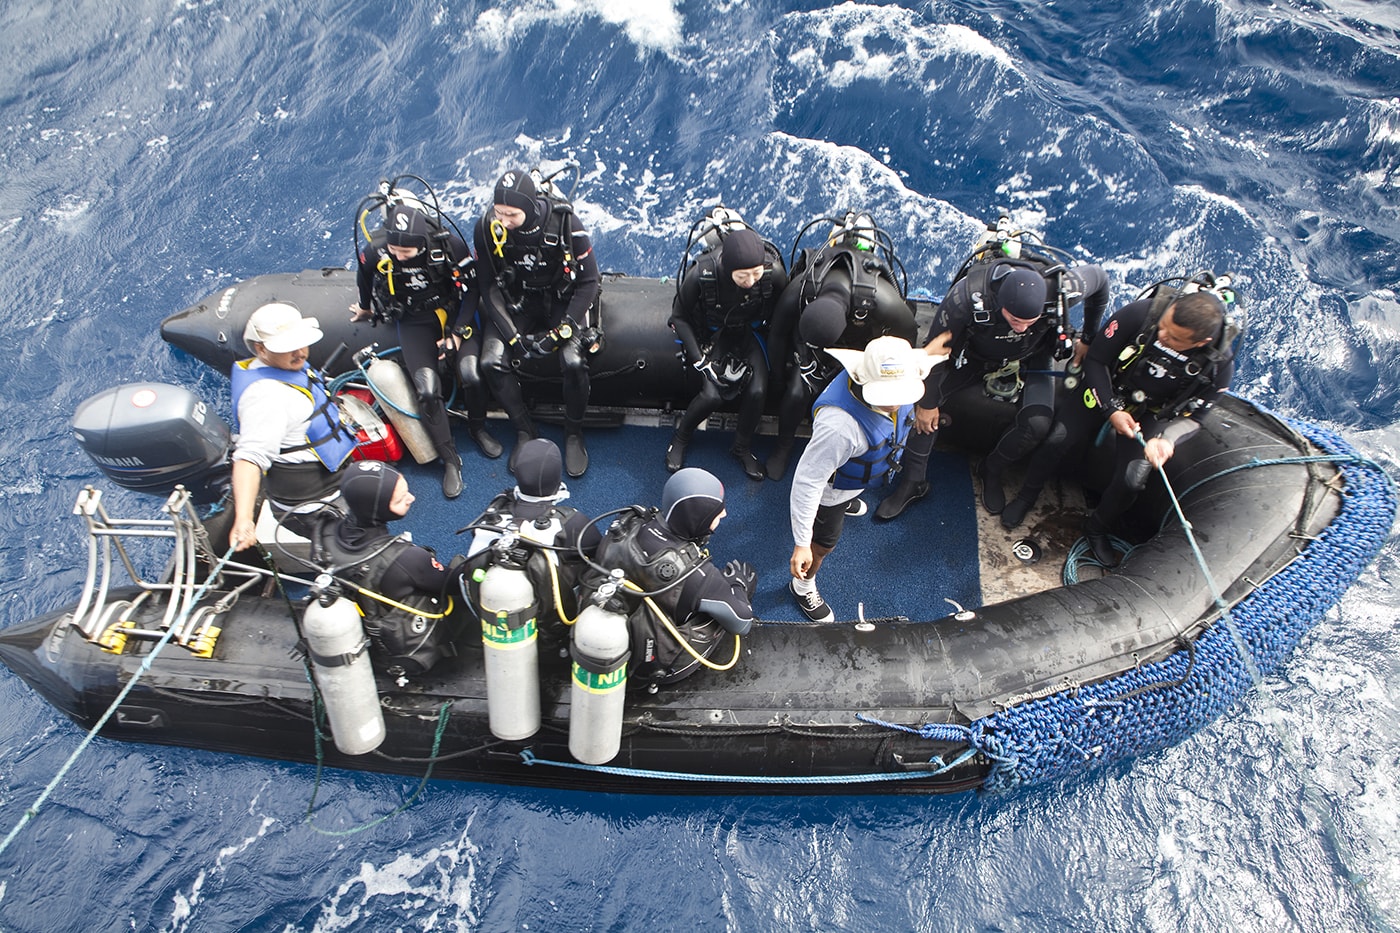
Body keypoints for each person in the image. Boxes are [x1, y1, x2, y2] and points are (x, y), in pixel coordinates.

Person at [1001, 289, 1236, 565]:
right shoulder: (1141, 314)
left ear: (1201, 342)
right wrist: (1111, 408)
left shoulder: (1219, 366)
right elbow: (1097, 360)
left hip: (1148, 414)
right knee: (1057, 439)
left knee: (1132, 480)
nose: (1162, 337)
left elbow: (1195, 418)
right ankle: (1027, 495)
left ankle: (1096, 528)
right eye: (1163, 328)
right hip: (1106, 390)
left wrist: (1167, 440)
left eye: (1174, 339)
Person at [874, 247, 1110, 521]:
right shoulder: (966, 299)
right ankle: (913, 482)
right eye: (1014, 320)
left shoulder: (1063, 289)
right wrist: (927, 404)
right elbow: (936, 350)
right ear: (1000, 304)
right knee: (923, 406)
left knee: (1037, 424)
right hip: (977, 355)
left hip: (1033, 354)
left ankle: (991, 469)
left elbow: (1100, 280)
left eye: (1028, 321)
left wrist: (1090, 338)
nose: (1020, 327)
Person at [351, 193, 501, 499]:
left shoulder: (448, 246)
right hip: (413, 319)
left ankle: (478, 428)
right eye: (394, 249)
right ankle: (450, 460)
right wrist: (366, 307)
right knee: (427, 389)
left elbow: (472, 290)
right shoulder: (378, 250)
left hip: (453, 313)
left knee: (470, 372)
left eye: (405, 251)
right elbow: (364, 275)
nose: (398, 256)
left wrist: (457, 332)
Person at [788, 336, 936, 623]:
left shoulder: (897, 367)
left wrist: (935, 349)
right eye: (887, 393)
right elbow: (807, 481)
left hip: (856, 480)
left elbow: (922, 359)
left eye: (900, 390)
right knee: (824, 543)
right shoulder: (839, 429)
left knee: (856, 482)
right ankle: (802, 586)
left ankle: (849, 499)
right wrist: (802, 543)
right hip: (830, 492)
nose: (894, 401)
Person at [765, 213, 917, 481]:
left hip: (862, 353)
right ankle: (783, 446)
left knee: (861, 400)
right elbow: (777, 332)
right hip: (812, 352)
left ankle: (855, 456)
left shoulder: (881, 299)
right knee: (796, 392)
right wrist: (778, 376)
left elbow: (907, 338)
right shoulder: (803, 288)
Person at [577, 468, 756, 689]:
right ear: (698, 518)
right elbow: (742, 623)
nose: (725, 514)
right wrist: (739, 585)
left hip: (593, 635)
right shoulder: (698, 575)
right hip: (647, 665)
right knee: (715, 619)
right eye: (717, 512)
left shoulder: (629, 524)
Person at [475, 169, 601, 478]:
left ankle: (573, 432)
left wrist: (562, 332)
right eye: (499, 212)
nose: (503, 221)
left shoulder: (567, 224)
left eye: (512, 215)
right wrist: (514, 337)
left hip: (560, 299)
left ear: (530, 207)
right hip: (518, 300)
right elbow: (488, 285)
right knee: (491, 362)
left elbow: (589, 282)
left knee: (573, 361)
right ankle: (524, 429)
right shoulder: (486, 228)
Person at [228, 302, 359, 552]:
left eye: (301, 342)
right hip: (313, 505)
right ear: (260, 349)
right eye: (288, 347)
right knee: (350, 549)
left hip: (334, 480)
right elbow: (249, 458)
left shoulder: (285, 368)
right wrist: (244, 519)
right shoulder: (266, 398)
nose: (300, 352)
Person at [315, 460, 461, 675]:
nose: (412, 497)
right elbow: (452, 584)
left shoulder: (324, 532)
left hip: (360, 620)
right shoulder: (406, 559)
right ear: (377, 507)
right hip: (404, 641)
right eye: (401, 499)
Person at [667, 224, 788, 479]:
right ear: (727, 268)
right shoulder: (702, 274)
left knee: (757, 391)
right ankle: (681, 437)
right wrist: (700, 361)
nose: (750, 281)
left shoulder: (772, 273)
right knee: (712, 395)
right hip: (715, 333)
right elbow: (679, 317)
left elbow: (784, 311)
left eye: (755, 274)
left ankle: (741, 447)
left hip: (750, 332)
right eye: (742, 276)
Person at [461, 438, 600, 628]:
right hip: (550, 623)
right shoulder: (572, 522)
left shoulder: (490, 518)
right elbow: (598, 552)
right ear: (556, 476)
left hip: (493, 615)